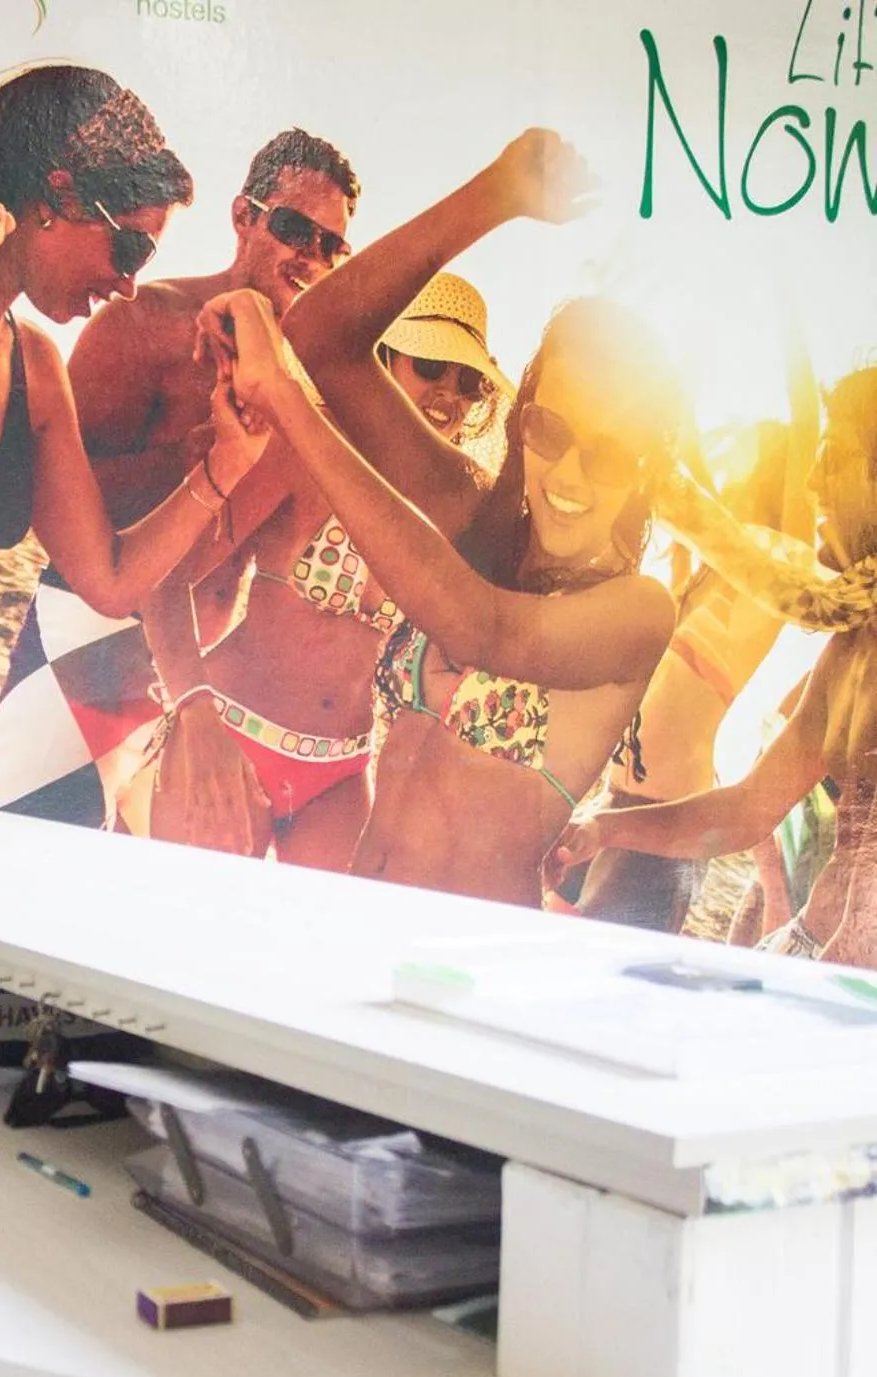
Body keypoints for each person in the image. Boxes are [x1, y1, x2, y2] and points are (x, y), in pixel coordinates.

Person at [212, 129, 693, 906]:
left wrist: (287, 403)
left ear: (647, 467)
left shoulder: (637, 611)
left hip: (467, 965)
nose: (571, 474)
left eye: (610, 454)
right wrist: (495, 195)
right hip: (355, 923)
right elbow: (324, 338)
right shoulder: (471, 514)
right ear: (522, 417)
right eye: (552, 431)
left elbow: (486, 632)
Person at [0, 65, 264, 792]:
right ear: (58, 196)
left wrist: (225, 467)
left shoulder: (34, 368)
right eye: (133, 249)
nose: (128, 283)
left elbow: (111, 581)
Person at [0, 128, 362, 824]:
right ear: (244, 216)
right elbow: (59, 493)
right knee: (29, 851)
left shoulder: (301, 385)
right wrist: (195, 458)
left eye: (333, 245)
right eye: (297, 228)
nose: (312, 256)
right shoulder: (144, 322)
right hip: (87, 639)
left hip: (187, 675)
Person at [119, 272, 510, 866]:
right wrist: (196, 718)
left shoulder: (448, 510)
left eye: (471, 383)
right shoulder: (303, 450)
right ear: (383, 360)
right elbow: (164, 579)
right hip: (228, 734)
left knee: (319, 946)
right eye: (432, 367)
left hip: (340, 772)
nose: (450, 396)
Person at [553, 367, 877, 967]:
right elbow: (748, 808)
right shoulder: (850, 648)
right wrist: (607, 829)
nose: (812, 482)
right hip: (809, 954)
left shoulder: (784, 600)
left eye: (830, 459)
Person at [573, 382, 818, 930]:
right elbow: (679, 466)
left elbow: (803, 476)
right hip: (608, 801)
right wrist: (672, 387)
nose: (727, 485)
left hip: (664, 823)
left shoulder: (767, 593)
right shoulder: (697, 576)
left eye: (746, 475)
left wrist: (796, 346)